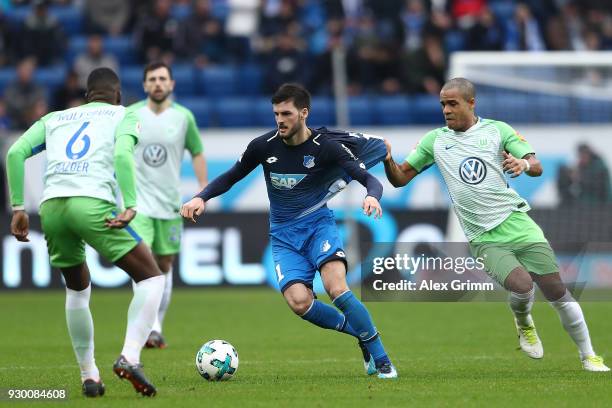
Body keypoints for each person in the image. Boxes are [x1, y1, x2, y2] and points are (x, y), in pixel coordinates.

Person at [382, 77, 609, 372]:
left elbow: (536, 166)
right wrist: (388, 160)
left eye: (453, 103)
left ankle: (589, 355)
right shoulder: (434, 141)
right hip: (483, 235)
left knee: (556, 290)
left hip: (517, 221)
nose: (446, 110)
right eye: (443, 105)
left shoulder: (497, 130)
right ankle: (524, 321)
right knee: (523, 286)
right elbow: (399, 179)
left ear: (471, 103)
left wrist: (523, 164)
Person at [181, 83, 398, 379]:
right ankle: (361, 334)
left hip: (318, 226)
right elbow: (232, 176)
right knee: (299, 302)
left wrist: (372, 196)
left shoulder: (327, 148)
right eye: (276, 114)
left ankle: (382, 359)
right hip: (283, 236)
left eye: (286, 113)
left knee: (336, 287)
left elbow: (368, 179)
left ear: (303, 113)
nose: (280, 120)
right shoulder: (263, 145)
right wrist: (200, 197)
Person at [5, 68, 165, 398]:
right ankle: (130, 358)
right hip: (92, 203)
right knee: (152, 278)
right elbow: (122, 154)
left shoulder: (56, 118)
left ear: (86, 95)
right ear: (118, 94)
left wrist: (19, 207)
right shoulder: (126, 114)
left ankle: (88, 375)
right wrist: (131, 203)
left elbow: (14, 152)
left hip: (52, 208)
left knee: (77, 291)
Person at [128, 61, 208, 348]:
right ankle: (151, 327)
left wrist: (202, 191)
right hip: (137, 204)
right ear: (145, 85)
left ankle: (157, 323)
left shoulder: (184, 117)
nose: (158, 83)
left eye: (163, 78)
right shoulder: (130, 115)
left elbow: (197, 152)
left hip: (170, 204)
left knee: (164, 264)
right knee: (142, 259)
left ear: (172, 84)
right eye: (152, 79)